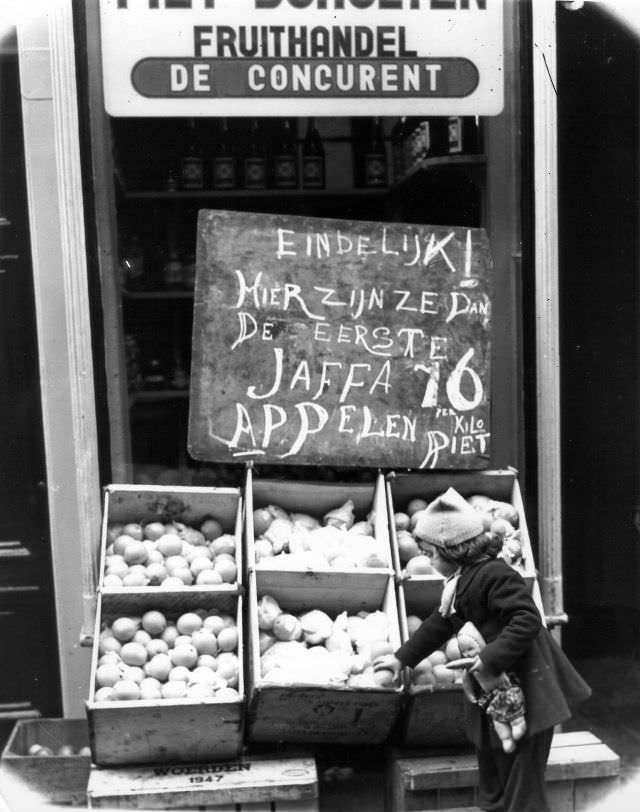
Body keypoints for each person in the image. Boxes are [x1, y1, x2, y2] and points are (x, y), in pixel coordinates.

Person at [373, 487, 591, 812]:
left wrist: (489, 658)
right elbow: (439, 623)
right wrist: (401, 658)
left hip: (528, 688)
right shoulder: (460, 583)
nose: (426, 561)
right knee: (494, 759)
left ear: (454, 549)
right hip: (496, 691)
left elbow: (527, 618)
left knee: (522, 775)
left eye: (430, 554)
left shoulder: (495, 575)